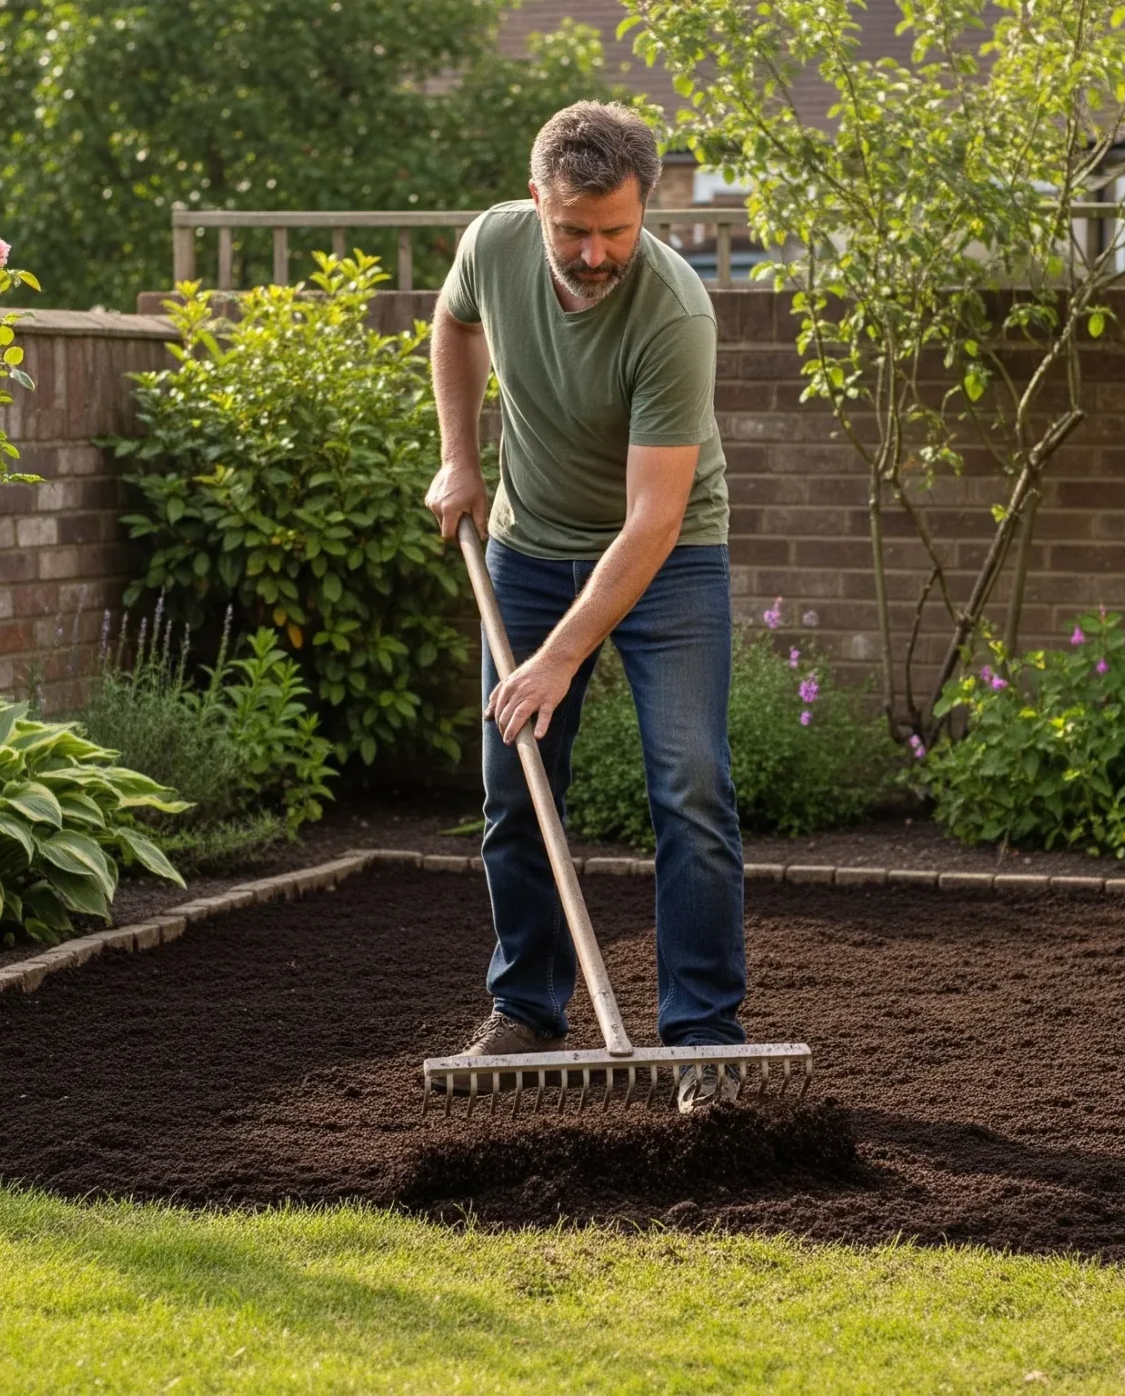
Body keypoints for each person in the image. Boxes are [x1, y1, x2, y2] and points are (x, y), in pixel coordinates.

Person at [422, 101, 746, 1112]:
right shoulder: (494, 241)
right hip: (524, 548)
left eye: (618, 229)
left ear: (645, 208)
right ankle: (525, 1008)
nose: (596, 253)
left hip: (669, 560)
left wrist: (558, 657)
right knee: (514, 788)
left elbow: (650, 521)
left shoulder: (674, 312)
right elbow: (453, 321)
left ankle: (702, 1037)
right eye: (574, 230)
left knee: (689, 785)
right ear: (537, 202)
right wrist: (460, 460)